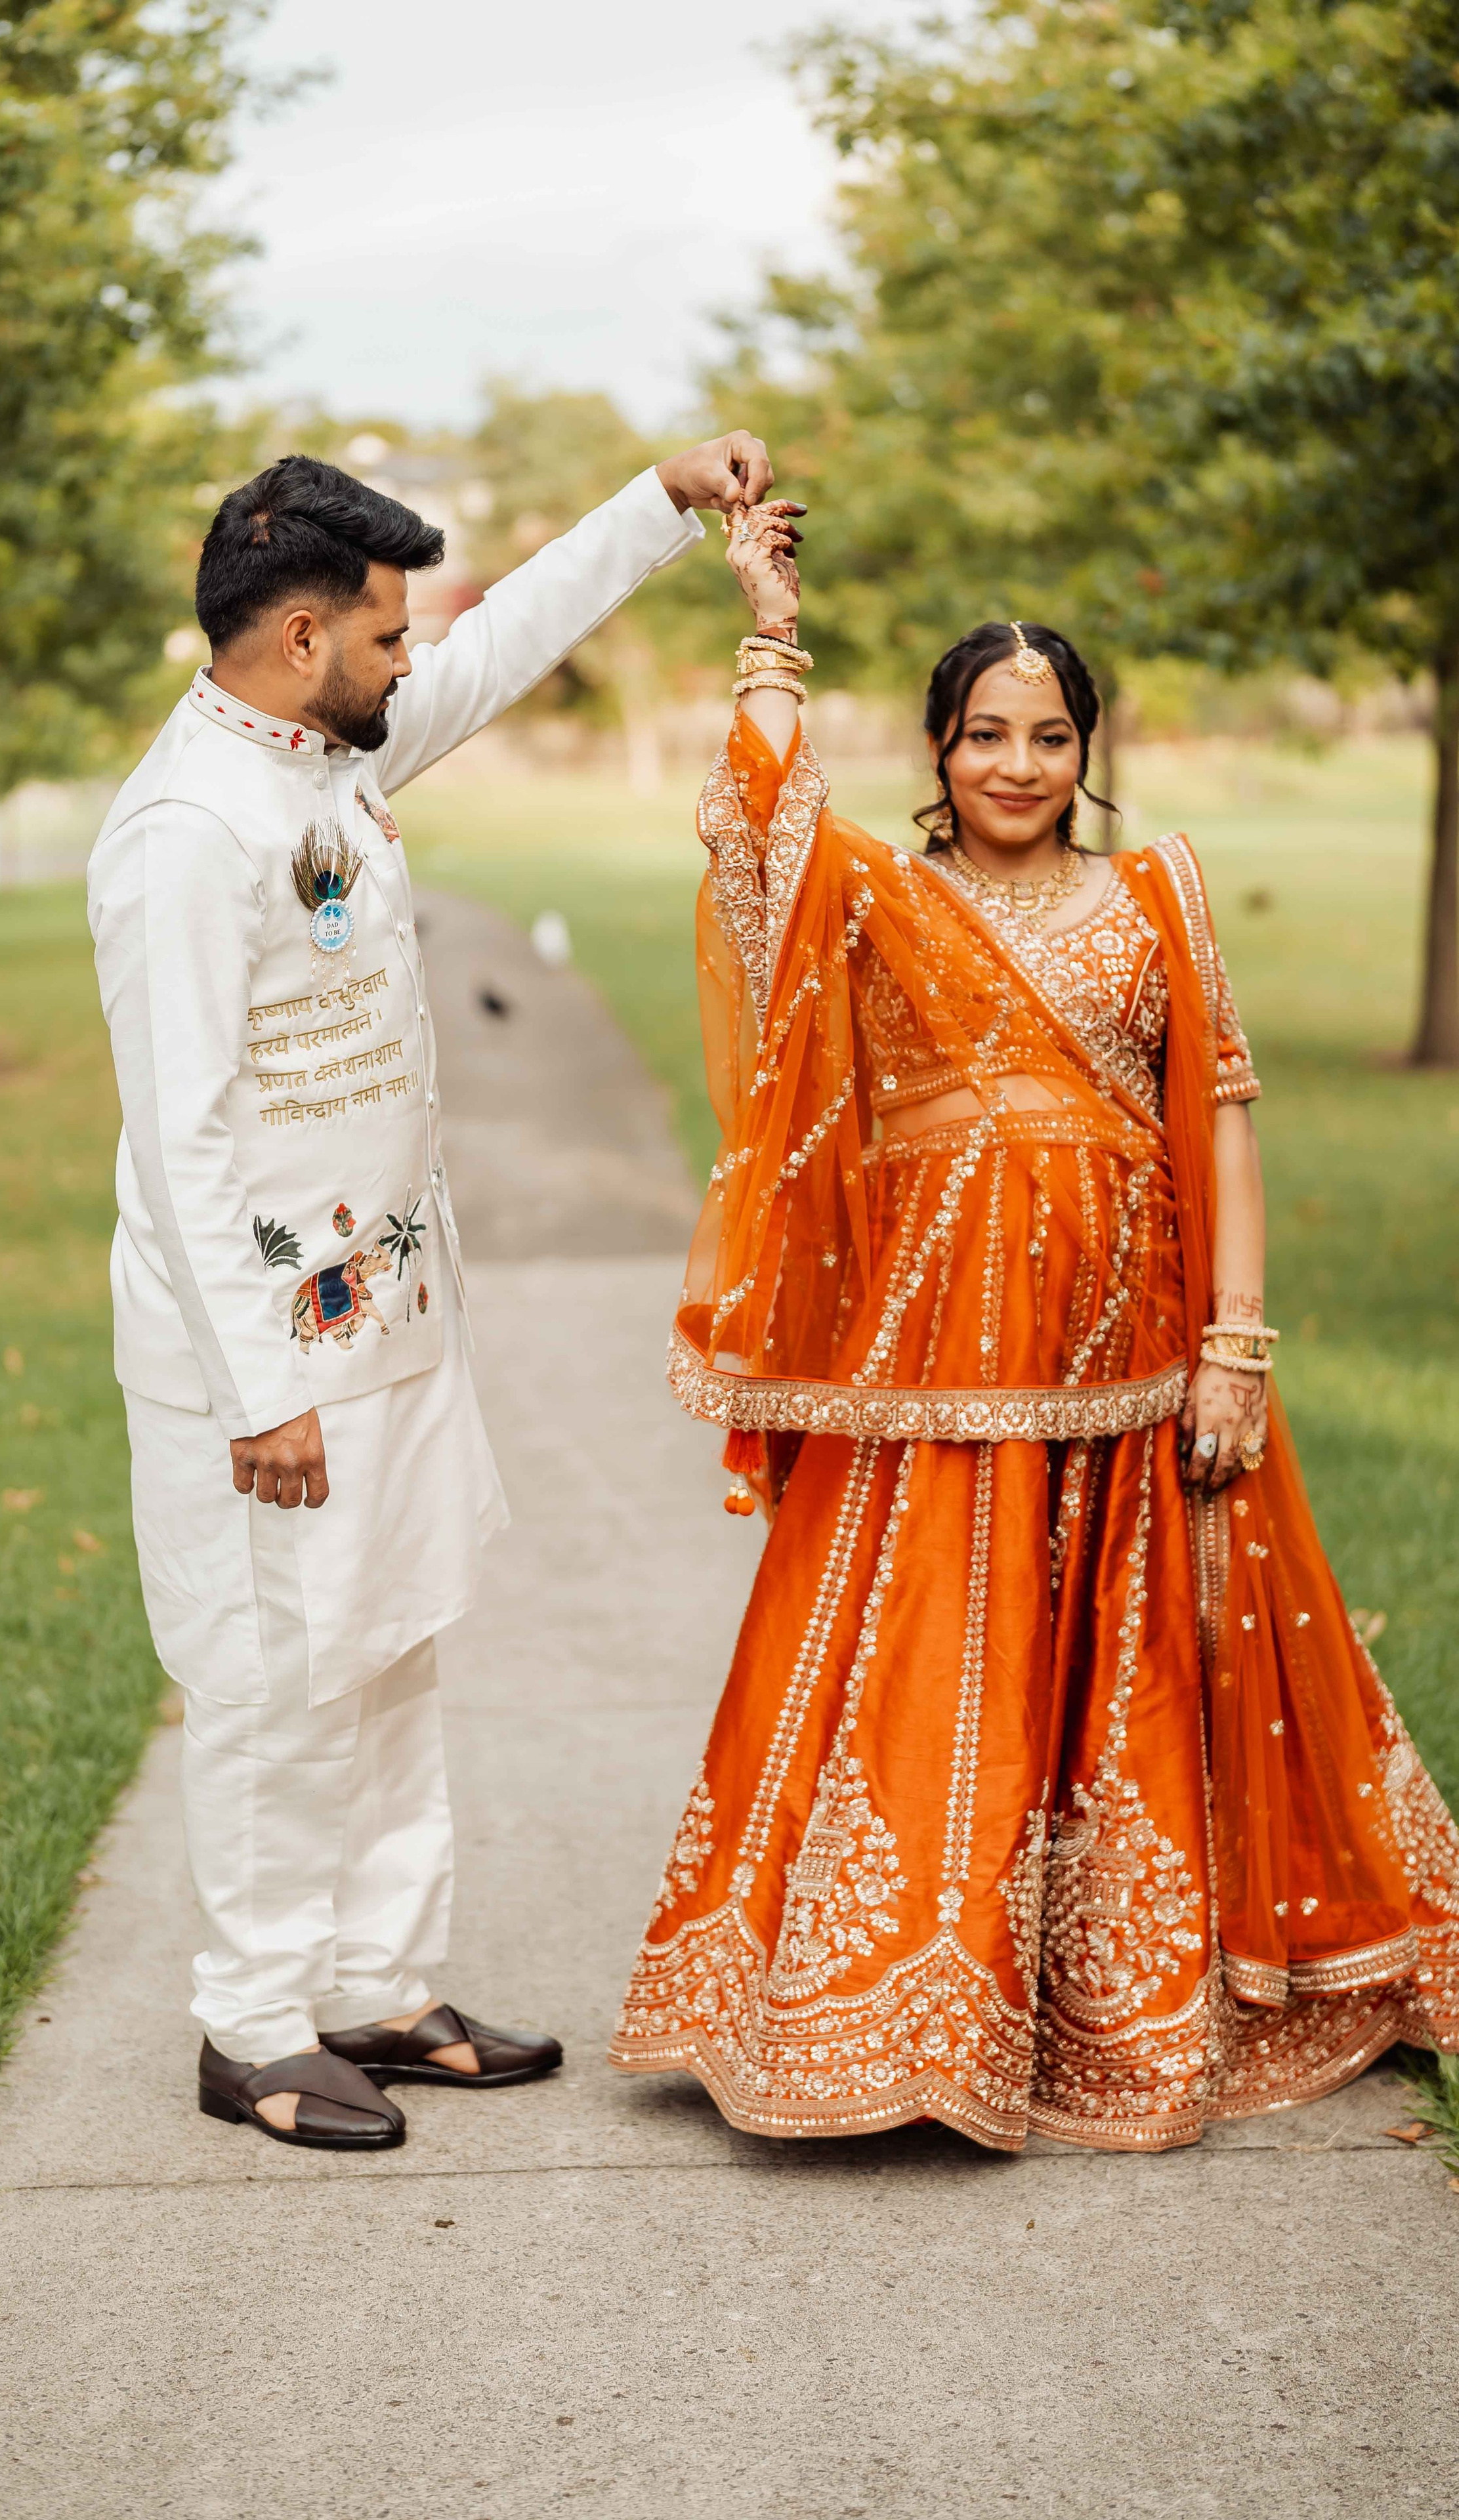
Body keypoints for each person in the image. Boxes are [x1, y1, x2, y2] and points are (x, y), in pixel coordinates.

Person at [610, 500, 1459, 2151]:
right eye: (984, 733)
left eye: (1048, 734)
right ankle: (898, 2010)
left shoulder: (1153, 895)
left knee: (1113, 1669)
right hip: (929, 1374)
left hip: (1125, 1366)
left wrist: (1237, 1343)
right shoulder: (877, 901)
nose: (1016, 763)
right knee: (921, 1649)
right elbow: (758, 832)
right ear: (936, 745)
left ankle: (1100, 2012)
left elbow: (1216, 1115)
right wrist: (767, 625)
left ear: (1086, 747)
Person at [90, 433, 780, 2149]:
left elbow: (501, 638)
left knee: (392, 1654)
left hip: (385, 1321)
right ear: (304, 636)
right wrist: (261, 1396)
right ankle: (252, 2028)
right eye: (388, 635)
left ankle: (384, 1989)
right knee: (266, 1681)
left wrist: (660, 504)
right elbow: (178, 1140)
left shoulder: (334, 748)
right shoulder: (187, 829)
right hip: (262, 1367)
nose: (416, 660)